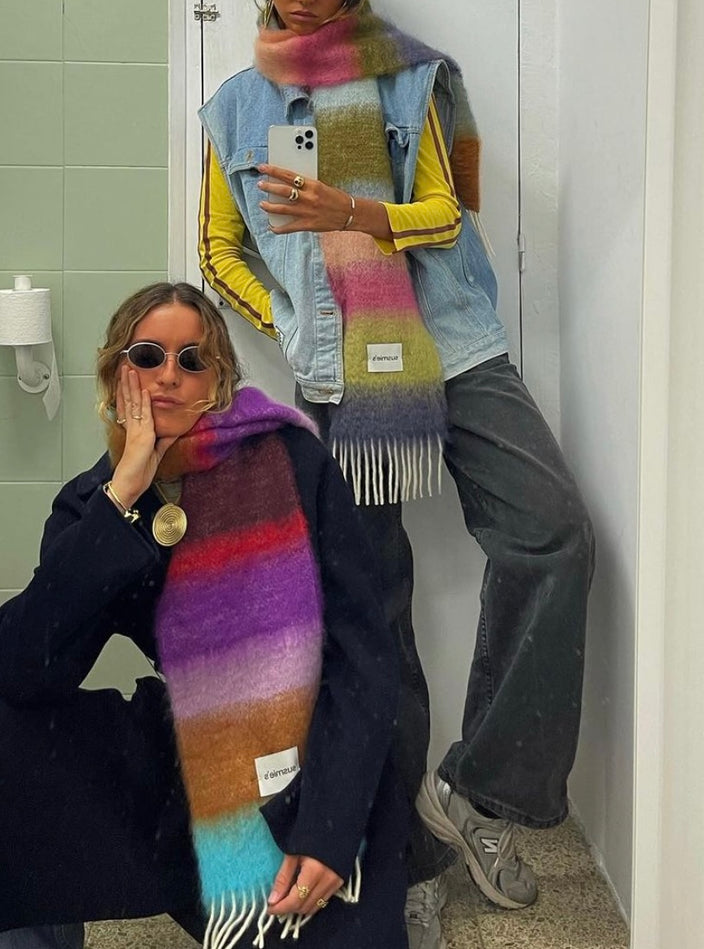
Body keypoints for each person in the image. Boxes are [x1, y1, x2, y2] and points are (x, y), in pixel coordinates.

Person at [197, 0, 595, 949]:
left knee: (553, 535)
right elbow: (219, 248)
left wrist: (353, 213)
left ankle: (481, 792)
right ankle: (407, 851)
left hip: (453, 345)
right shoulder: (234, 107)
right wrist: (289, 320)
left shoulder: (418, 78)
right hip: (340, 378)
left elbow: (449, 209)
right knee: (375, 610)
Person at [0, 282, 407, 949]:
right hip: (195, 758)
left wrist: (330, 829)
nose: (168, 375)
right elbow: (24, 669)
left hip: (314, 755)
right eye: (147, 355)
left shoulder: (293, 463)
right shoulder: (93, 502)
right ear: (114, 374)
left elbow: (364, 655)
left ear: (217, 381)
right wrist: (123, 495)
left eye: (192, 360)